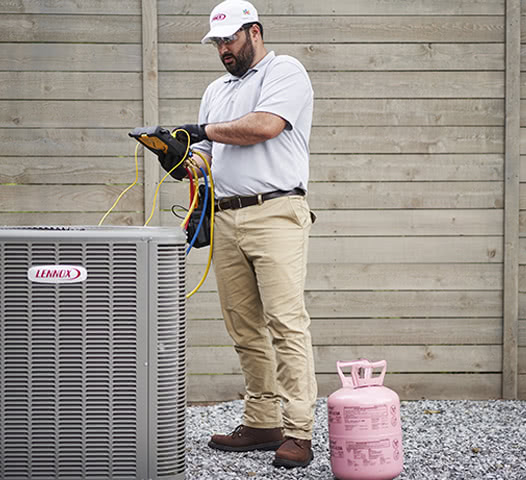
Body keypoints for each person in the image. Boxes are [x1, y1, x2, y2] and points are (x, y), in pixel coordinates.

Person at [156, 0, 317, 469]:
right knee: (243, 327)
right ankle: (263, 421)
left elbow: (264, 126)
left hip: (277, 211)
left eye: (231, 39)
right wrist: (175, 153)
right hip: (225, 215)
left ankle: (300, 431)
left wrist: (200, 130)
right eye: (218, 42)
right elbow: (206, 154)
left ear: (255, 32)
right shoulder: (217, 89)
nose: (224, 49)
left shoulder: (285, 71)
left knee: (287, 323)